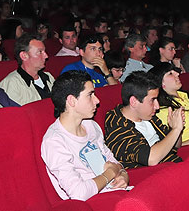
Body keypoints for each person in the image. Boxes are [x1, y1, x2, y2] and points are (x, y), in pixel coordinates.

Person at [41, 71, 129, 201]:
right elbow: (79, 193)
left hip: (114, 192)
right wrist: (110, 173)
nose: (97, 100)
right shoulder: (54, 141)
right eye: (90, 95)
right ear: (71, 101)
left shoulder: (90, 126)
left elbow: (113, 161)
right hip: (90, 203)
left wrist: (123, 176)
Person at [104, 71, 183, 168]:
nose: (157, 106)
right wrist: (176, 130)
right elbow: (151, 159)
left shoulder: (147, 116)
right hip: (149, 174)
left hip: (172, 164)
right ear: (134, 101)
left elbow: (176, 145)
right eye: (152, 100)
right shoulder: (117, 126)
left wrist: (175, 127)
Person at [0, 33, 54, 105]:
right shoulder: (12, 83)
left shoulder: (49, 77)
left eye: (44, 52)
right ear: (24, 56)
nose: (46, 56)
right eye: (40, 52)